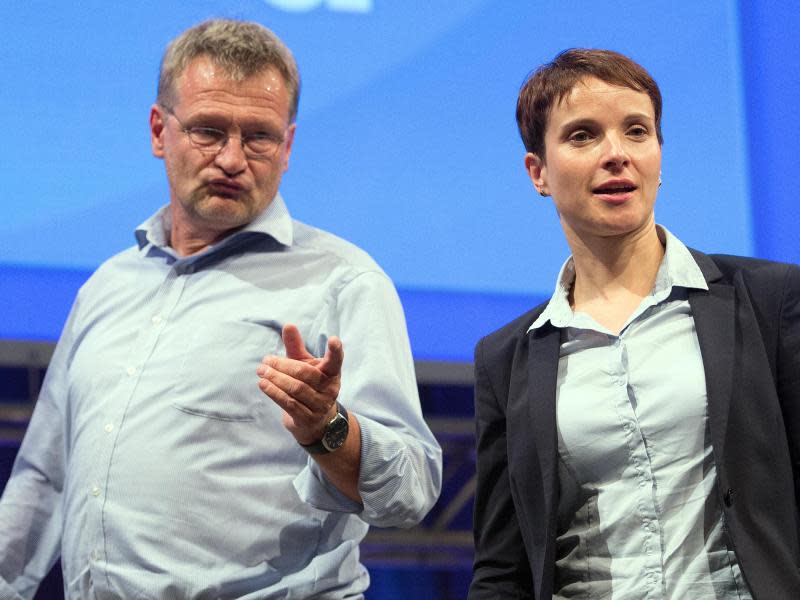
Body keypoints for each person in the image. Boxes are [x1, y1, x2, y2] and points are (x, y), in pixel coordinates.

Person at [0, 19, 441, 599]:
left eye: (259, 136)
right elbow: (45, 475)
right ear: (160, 131)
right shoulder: (108, 285)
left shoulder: (344, 281)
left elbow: (410, 488)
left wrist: (327, 429)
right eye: (208, 131)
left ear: (287, 147)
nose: (233, 159)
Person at [469, 49, 800, 599]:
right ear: (538, 173)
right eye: (583, 136)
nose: (616, 154)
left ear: (659, 156)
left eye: (637, 131)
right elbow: (503, 569)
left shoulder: (769, 301)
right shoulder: (507, 360)